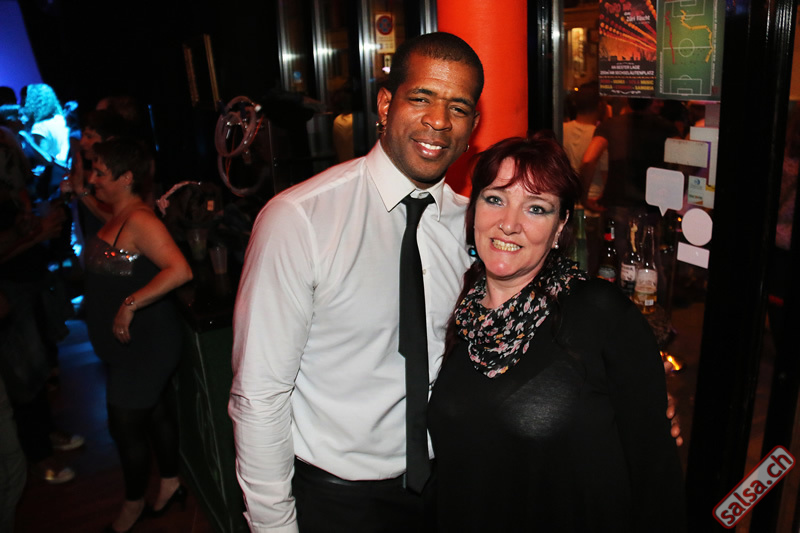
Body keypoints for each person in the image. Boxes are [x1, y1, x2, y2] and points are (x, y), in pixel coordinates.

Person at [229, 32, 482, 532]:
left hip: (448, 486)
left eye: (458, 107)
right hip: (339, 501)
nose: (439, 121)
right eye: (422, 98)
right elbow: (259, 396)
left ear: (472, 126)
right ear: (386, 105)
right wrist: (273, 525)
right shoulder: (301, 220)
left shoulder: (471, 225)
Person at [428, 135, 686, 531]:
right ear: (474, 207)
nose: (509, 224)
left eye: (536, 208)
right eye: (495, 199)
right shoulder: (462, 307)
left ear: (561, 224)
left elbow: (656, 475)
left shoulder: (600, 313)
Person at [82, 138, 192, 532]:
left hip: (148, 344)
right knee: (156, 412)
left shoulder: (141, 221)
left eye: (100, 173)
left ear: (126, 178)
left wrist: (129, 304)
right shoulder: (116, 213)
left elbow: (180, 270)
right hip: (128, 347)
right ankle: (170, 482)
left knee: (124, 426)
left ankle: (132, 506)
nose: (92, 179)